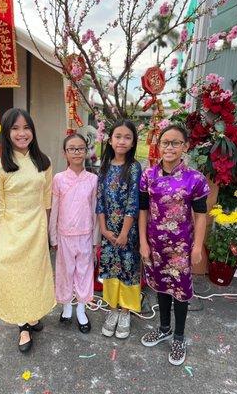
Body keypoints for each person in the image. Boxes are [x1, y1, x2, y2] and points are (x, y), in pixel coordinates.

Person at [0, 108, 56, 353]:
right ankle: (23, 325)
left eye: (26, 127)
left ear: (33, 131)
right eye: (15, 128)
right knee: (13, 275)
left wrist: (45, 232)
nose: (21, 133)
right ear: (6, 132)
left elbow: (46, 201)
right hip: (11, 231)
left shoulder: (43, 162)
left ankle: (33, 314)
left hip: (36, 230)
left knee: (34, 276)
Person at [139, 124, 210, 366]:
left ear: (185, 146)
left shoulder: (195, 179)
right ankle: (164, 328)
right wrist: (142, 242)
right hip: (155, 245)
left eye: (175, 143)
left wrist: (198, 246)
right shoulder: (148, 176)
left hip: (182, 248)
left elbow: (201, 214)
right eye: (165, 142)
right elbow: (143, 210)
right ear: (158, 146)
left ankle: (179, 336)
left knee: (180, 291)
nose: (169, 147)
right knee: (161, 286)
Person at [96, 120, 142, 339]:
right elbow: (100, 201)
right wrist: (104, 230)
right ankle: (112, 309)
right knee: (110, 269)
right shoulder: (104, 166)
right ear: (110, 139)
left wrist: (124, 233)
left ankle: (125, 311)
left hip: (128, 232)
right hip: (108, 232)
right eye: (118, 136)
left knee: (128, 269)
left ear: (133, 142)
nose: (122, 141)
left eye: (127, 137)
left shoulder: (134, 167)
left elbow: (134, 202)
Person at [49, 133, 99, 333]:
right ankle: (66, 307)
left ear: (86, 152)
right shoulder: (59, 179)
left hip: (86, 235)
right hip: (64, 235)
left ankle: (81, 309)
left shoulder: (93, 179)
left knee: (84, 273)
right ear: (65, 153)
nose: (77, 152)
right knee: (65, 272)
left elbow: (96, 210)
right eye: (72, 149)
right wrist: (53, 236)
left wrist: (96, 239)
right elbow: (54, 209)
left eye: (80, 148)